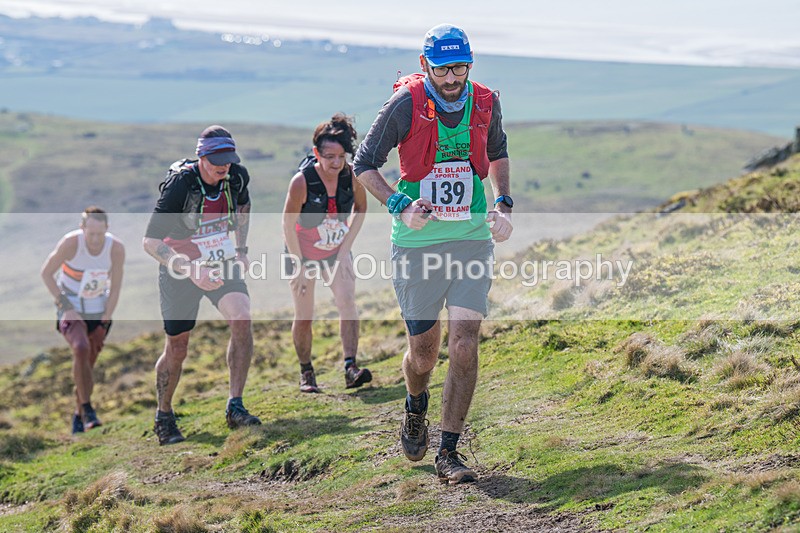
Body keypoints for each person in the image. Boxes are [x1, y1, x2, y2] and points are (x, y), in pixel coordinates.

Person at [353, 23, 513, 484]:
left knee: (464, 342)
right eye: (443, 69)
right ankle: (414, 406)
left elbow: (498, 151)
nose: (452, 77)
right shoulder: (405, 104)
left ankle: (449, 451)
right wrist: (400, 205)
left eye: (460, 67)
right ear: (426, 66)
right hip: (417, 244)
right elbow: (364, 164)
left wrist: (502, 203)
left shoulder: (485, 101)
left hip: (470, 238)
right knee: (423, 354)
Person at [143, 125, 261, 446]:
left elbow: (245, 207)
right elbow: (151, 241)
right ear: (201, 157)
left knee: (242, 317)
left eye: (228, 159)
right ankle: (164, 414)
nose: (224, 166)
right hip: (179, 267)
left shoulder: (236, 176)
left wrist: (241, 249)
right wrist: (189, 267)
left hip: (221, 259)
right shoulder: (181, 185)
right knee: (178, 347)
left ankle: (235, 405)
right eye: (216, 160)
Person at [282, 113, 371, 393]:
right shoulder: (301, 181)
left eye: (341, 156)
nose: (335, 163)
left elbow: (361, 209)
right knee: (304, 315)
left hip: (336, 250)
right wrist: (298, 264)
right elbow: (287, 223)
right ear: (316, 153)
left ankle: (350, 367)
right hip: (301, 252)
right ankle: (306, 371)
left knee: (347, 303)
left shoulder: (352, 175)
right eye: (329, 156)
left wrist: (344, 251)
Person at [41, 207, 125, 434]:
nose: (95, 239)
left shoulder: (115, 248)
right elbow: (46, 273)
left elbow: (115, 287)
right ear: (83, 229)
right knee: (80, 348)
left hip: (98, 310)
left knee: (88, 362)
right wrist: (65, 306)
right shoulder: (70, 244)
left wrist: (105, 321)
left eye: (100, 234)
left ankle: (79, 415)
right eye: (91, 234)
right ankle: (88, 409)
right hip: (71, 309)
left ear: (106, 229)